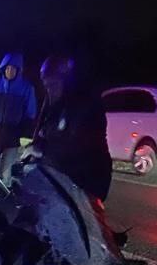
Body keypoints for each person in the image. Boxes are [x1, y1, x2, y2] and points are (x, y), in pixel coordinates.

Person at [32, 55, 112, 202]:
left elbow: (72, 145)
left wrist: (43, 151)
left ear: (66, 82)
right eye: (46, 85)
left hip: (88, 181)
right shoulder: (56, 105)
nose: (49, 90)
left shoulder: (83, 106)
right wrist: (35, 146)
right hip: (66, 178)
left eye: (53, 84)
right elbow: (43, 133)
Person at [0, 52, 37, 185]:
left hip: (13, 136)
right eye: (7, 68)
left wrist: (24, 137)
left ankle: (3, 195)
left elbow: (31, 114)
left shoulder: (26, 88)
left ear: (19, 70)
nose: (9, 71)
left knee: (6, 171)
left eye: (13, 68)